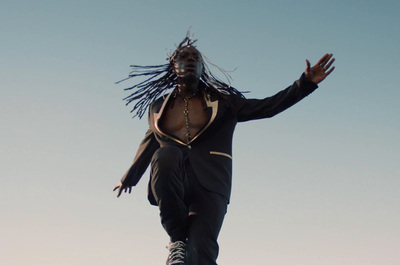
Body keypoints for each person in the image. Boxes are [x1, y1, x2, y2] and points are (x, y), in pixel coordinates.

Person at [113, 34, 335, 265]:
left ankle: (189, 251)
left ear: (202, 67)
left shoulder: (224, 102)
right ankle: (176, 240)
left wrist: (305, 84)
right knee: (165, 153)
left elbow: (267, 106)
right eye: (183, 56)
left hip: (210, 184)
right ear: (173, 65)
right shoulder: (158, 107)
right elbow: (152, 140)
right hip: (173, 183)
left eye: (195, 58)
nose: (190, 60)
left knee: (200, 254)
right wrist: (130, 177)